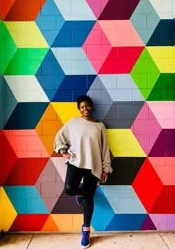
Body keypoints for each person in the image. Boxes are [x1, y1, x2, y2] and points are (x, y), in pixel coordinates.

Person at [54, 95, 113, 249]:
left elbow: (105, 149)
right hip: (76, 162)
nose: (85, 109)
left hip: (93, 165)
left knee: (89, 196)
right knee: (69, 189)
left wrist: (106, 168)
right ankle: (80, 193)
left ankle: (86, 231)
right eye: (81, 107)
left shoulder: (99, 126)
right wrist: (63, 151)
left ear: (91, 107)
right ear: (79, 109)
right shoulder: (73, 122)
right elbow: (59, 137)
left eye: (87, 106)